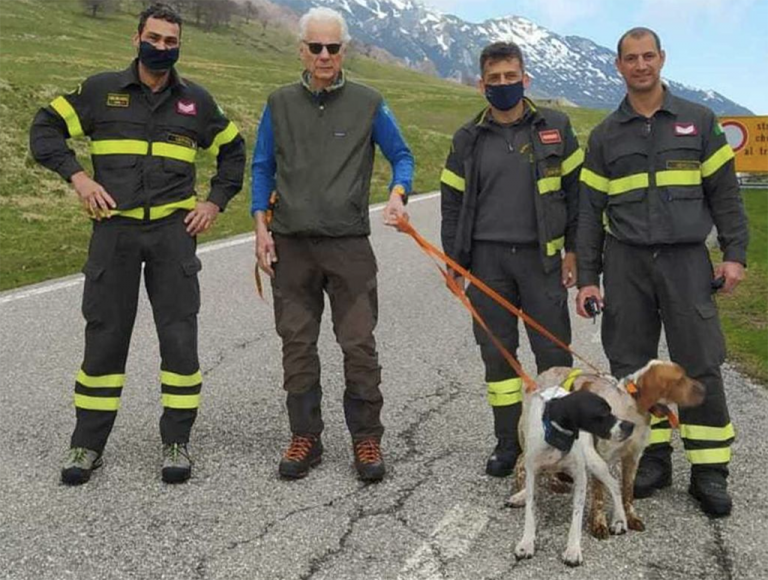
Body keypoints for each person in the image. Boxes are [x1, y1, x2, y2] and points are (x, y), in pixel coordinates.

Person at [29, 3, 245, 485]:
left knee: (179, 339)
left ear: (179, 45)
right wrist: (80, 179)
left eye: (171, 41)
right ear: (137, 38)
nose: (161, 47)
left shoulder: (197, 102)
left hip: (174, 234)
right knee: (104, 337)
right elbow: (43, 128)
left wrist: (213, 203)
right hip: (114, 232)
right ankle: (86, 445)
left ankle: (176, 442)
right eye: (154, 38)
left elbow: (233, 150)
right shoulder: (101, 90)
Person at [576, 27, 748, 517]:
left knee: (700, 363)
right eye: (630, 58)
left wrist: (733, 253)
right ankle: (652, 459)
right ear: (618, 66)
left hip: (686, 260)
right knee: (632, 367)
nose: (640, 65)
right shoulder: (606, 135)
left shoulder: (699, 121)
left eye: (648, 56)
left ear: (662, 59)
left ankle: (710, 470)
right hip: (626, 261)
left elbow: (726, 195)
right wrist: (589, 275)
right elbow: (589, 213)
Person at [251, 7, 414, 481]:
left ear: (345, 50)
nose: (324, 56)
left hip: (348, 246)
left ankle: (367, 441)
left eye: (333, 47)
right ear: (301, 50)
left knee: (358, 345)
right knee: (297, 346)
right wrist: (260, 225)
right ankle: (306, 438)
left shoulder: (368, 101)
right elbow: (262, 166)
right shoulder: (278, 103)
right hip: (291, 245)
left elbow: (401, 155)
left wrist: (398, 194)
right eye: (315, 47)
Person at [440, 42, 582, 477]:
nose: (503, 85)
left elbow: (579, 199)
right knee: (498, 360)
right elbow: (451, 202)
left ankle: (560, 443)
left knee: (554, 358)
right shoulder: (467, 138)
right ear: (482, 84)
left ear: (526, 79)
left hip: (542, 262)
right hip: (486, 265)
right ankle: (510, 444)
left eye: (510, 76)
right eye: (494, 79)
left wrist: (574, 250)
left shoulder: (556, 127)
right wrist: (454, 262)